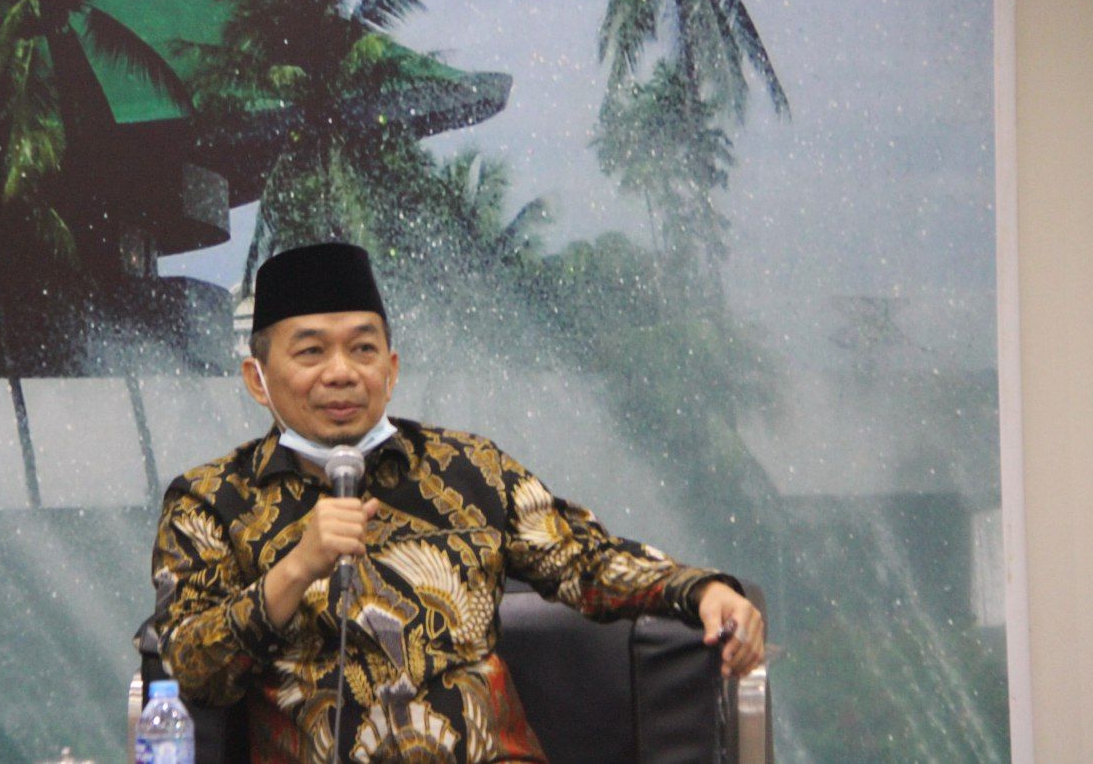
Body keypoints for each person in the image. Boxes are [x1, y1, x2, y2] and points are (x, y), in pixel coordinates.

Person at [150, 242, 764, 762]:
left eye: (363, 349)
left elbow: (587, 560)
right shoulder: (210, 501)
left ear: (390, 369)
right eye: (311, 352)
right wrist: (295, 570)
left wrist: (702, 589)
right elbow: (190, 672)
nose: (341, 372)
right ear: (257, 379)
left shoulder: (468, 468)